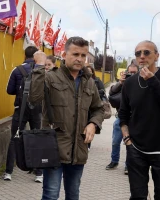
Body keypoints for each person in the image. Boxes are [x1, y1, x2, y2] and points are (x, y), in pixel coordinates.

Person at [29, 36, 104, 200]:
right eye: (75, 54)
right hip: (54, 147)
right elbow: (34, 98)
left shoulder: (89, 82)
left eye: (83, 56)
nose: (80, 59)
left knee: (73, 194)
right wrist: (39, 66)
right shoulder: (51, 77)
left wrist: (93, 124)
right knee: (51, 194)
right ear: (64, 55)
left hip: (79, 149)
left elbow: (100, 109)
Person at [119, 40, 160, 200]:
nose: (141, 56)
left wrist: (153, 80)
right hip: (136, 150)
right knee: (137, 196)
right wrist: (127, 140)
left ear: (156, 56)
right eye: (137, 53)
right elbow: (123, 114)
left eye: (146, 52)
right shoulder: (130, 83)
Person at [3, 46, 43, 183]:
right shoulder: (42, 71)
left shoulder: (17, 70)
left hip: (20, 108)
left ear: (24, 55)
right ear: (37, 56)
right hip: (37, 109)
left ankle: (8, 172)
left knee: (14, 139)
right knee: (37, 138)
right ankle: (39, 173)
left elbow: (9, 90)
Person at [105, 64, 138, 175]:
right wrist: (121, 83)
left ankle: (128, 165)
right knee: (115, 142)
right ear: (126, 72)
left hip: (135, 119)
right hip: (121, 117)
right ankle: (114, 161)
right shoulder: (123, 83)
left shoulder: (141, 83)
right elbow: (112, 93)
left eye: (134, 72)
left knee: (130, 143)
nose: (132, 75)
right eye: (130, 73)